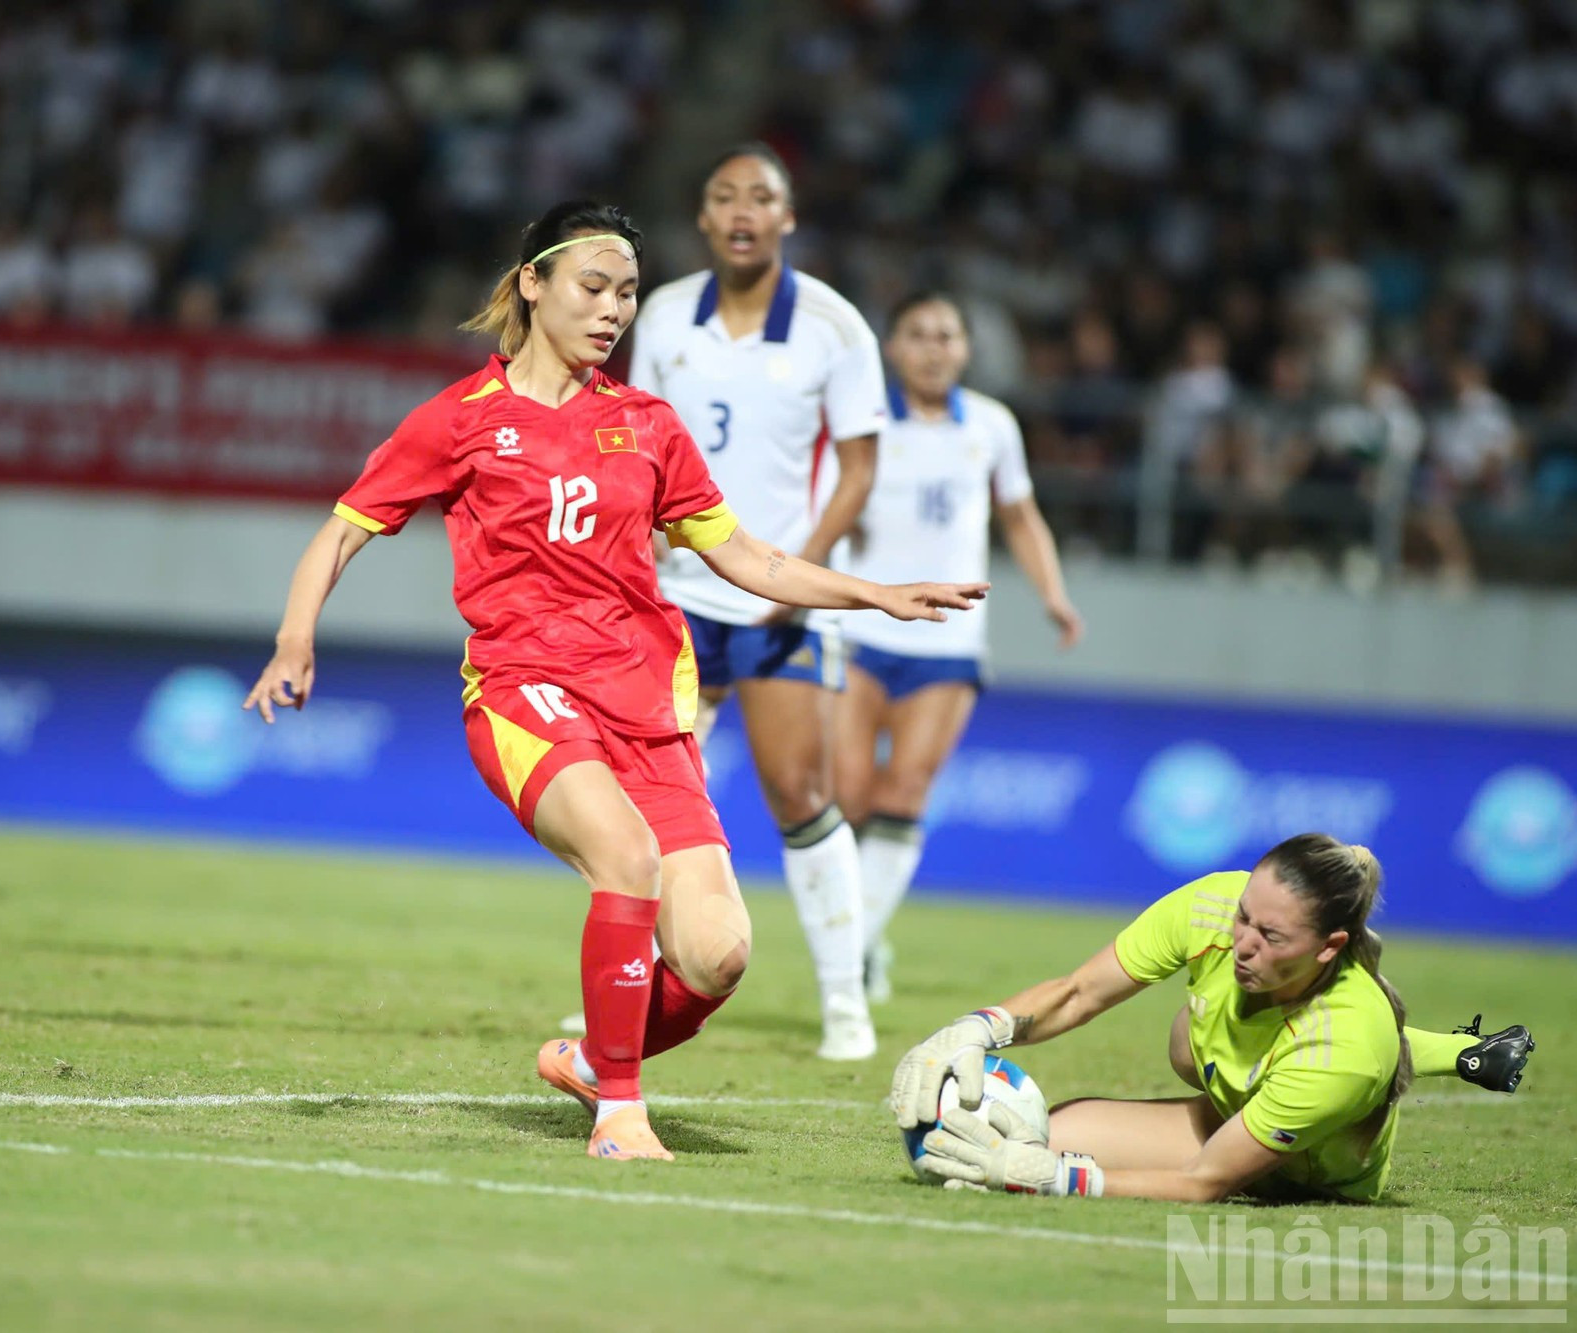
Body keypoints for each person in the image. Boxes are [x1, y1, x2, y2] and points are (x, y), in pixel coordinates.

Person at [245, 200, 986, 1161]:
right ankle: (621, 1116)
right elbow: (344, 527)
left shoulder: (646, 425)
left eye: (628, 292)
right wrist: (295, 636)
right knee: (626, 858)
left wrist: (875, 593)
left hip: (646, 706)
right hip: (524, 691)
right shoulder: (460, 421)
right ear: (532, 284)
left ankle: (598, 1060)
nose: (612, 310)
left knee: (719, 953)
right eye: (593, 286)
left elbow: (750, 559)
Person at [627, 142, 888, 1060]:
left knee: (797, 792)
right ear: (702, 219)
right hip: (677, 601)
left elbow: (860, 470)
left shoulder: (833, 326)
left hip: (775, 603)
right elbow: (632, 442)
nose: (742, 210)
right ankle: (622, 992)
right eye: (723, 194)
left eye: (761, 196)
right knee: (646, 807)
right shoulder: (660, 315)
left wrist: (797, 571)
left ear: (787, 218)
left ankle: (844, 1004)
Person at [888, 834, 1534, 1201]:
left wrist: (1060, 1178)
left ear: (1329, 947)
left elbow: (1205, 1180)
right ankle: (1466, 1050)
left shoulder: (1347, 1043)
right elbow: (1080, 991)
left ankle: (1456, 1051)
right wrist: (980, 1025)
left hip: (1309, 1166)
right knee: (1173, 1044)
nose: (1243, 940)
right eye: (1244, 915)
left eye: (1271, 935)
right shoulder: (1212, 907)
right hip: (1235, 1088)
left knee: (1047, 1156)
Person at [833, 292, 1082, 1004]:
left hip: (950, 637)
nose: (934, 347)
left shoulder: (993, 426)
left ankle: (849, 956)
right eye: (918, 334)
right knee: (848, 793)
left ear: (967, 348)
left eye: (947, 334)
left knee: (905, 788)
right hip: (862, 626)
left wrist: (1052, 595)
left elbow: (1021, 515)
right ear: (893, 347)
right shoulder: (863, 420)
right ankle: (863, 936)